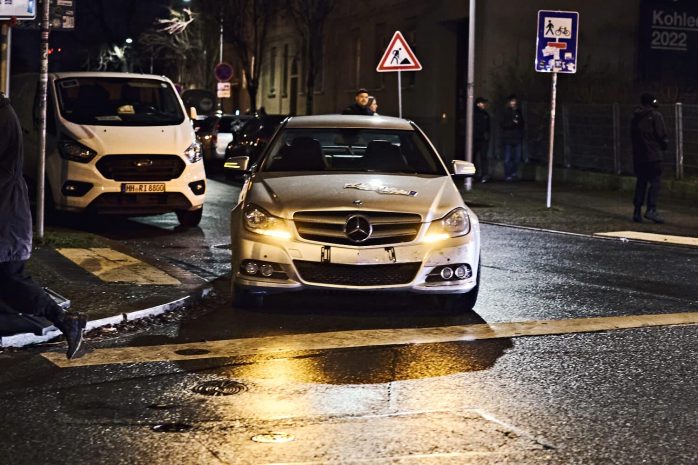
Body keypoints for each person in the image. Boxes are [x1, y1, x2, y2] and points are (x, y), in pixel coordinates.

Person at [0, 91, 86, 359]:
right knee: (10, 279)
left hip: (5, 215)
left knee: (12, 278)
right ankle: (64, 320)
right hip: (7, 212)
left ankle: (66, 321)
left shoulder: (2, 116)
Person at [630, 93, 668, 223]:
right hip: (653, 155)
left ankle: (637, 211)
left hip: (639, 156)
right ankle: (651, 210)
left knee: (641, 182)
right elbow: (661, 135)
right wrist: (663, 146)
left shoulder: (635, 116)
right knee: (655, 182)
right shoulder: (656, 116)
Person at [500, 94, 525, 181]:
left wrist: (518, 123)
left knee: (517, 158)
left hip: (517, 138)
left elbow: (522, 123)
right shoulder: (505, 111)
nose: (513, 103)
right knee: (507, 158)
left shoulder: (518, 111)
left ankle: (513, 172)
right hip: (508, 138)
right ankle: (507, 174)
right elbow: (503, 124)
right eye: (512, 101)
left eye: (514, 101)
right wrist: (512, 123)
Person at [473, 97, 491, 182]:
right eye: (482, 103)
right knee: (473, 157)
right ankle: (474, 175)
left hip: (483, 139)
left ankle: (484, 175)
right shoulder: (474, 113)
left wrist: (486, 135)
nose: (484, 105)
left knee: (483, 157)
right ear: (478, 104)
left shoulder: (485, 114)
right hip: (475, 138)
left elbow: (488, 127)